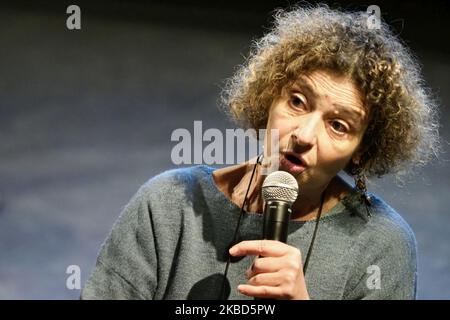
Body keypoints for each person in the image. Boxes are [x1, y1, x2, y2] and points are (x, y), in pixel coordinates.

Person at [81, 4, 440, 300]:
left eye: (338, 125)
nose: (303, 134)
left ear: (362, 151)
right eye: (297, 102)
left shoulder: (380, 246)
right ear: (270, 96)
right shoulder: (169, 206)